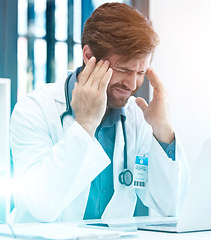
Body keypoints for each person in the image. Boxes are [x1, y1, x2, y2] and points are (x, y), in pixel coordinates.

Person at [10, 2, 190, 223]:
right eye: (123, 69)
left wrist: (162, 130)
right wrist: (84, 125)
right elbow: (41, 205)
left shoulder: (137, 116)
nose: (132, 84)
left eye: (140, 71)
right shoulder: (34, 109)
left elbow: (171, 205)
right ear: (88, 56)